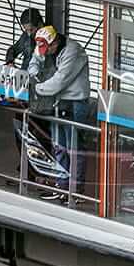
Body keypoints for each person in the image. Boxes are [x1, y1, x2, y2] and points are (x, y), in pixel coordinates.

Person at [27, 25, 93, 202]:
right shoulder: (44, 44)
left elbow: (60, 81)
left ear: (54, 42)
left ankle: (76, 191)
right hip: (57, 101)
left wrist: (36, 87)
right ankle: (62, 187)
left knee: (74, 148)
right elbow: (34, 62)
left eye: (48, 49)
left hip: (75, 103)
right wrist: (35, 74)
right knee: (59, 147)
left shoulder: (73, 51)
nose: (45, 53)